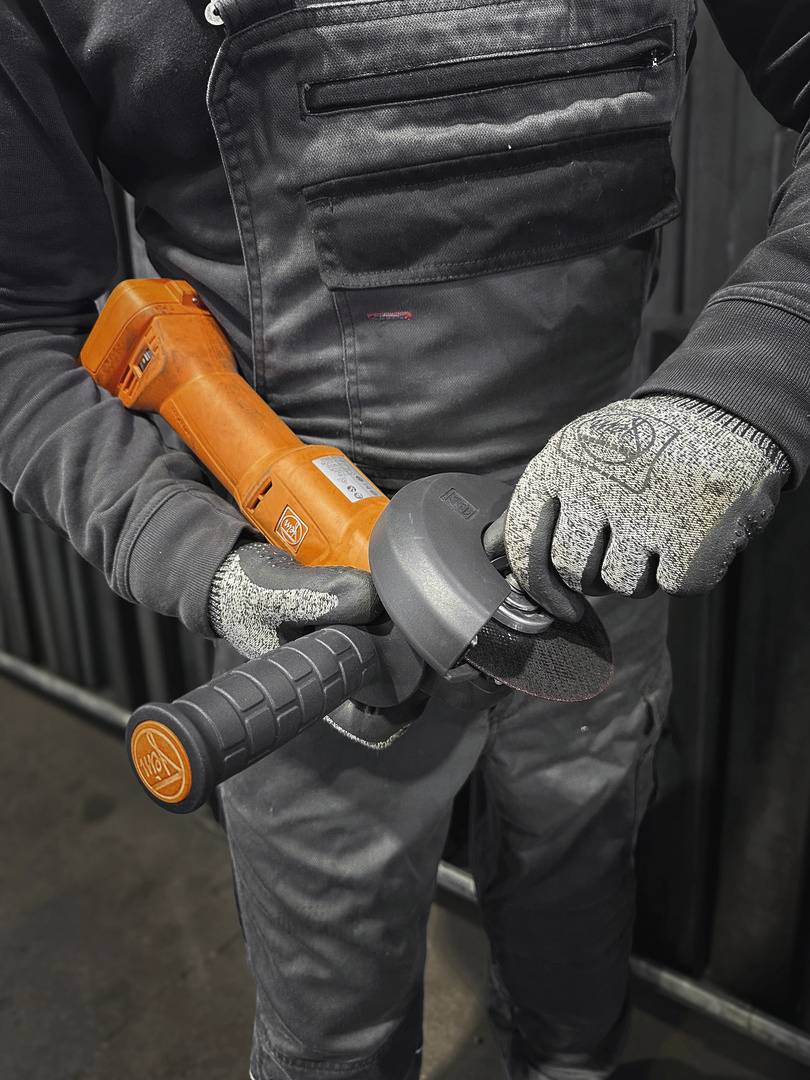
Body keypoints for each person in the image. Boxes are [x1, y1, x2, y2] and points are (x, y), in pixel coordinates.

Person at [1, 2, 807, 1077]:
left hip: (599, 553)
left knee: (578, 948)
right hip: (320, 626)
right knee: (336, 1042)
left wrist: (748, 375)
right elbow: (14, 325)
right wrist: (196, 555)